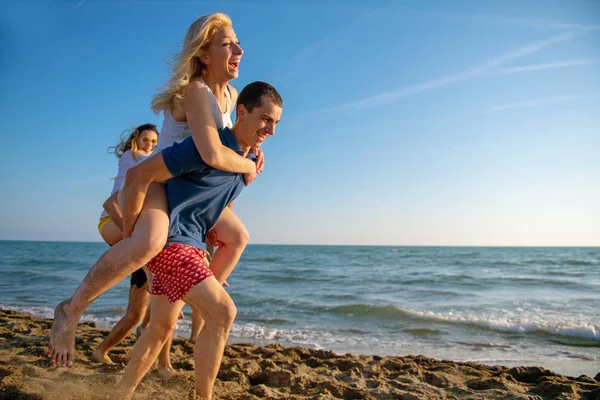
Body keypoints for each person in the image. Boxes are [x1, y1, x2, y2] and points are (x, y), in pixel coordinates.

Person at [48, 12, 263, 367]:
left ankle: (198, 291)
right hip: (160, 182)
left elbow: (231, 145)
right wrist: (248, 165)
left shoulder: (233, 95)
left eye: (238, 42)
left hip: (191, 192)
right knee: (148, 244)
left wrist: (254, 149)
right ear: (205, 55)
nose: (239, 49)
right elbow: (210, 152)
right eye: (227, 44)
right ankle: (69, 311)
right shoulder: (195, 91)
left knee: (237, 235)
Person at [114, 81, 283, 400]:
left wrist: (205, 257)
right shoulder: (205, 146)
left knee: (160, 328)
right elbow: (141, 176)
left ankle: (120, 394)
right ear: (242, 112)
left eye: (275, 122)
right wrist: (132, 242)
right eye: (265, 119)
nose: (271, 129)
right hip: (170, 242)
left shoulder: (246, 163)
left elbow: (215, 211)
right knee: (223, 312)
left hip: (190, 246)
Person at [91, 125, 178, 379]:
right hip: (119, 225)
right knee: (149, 310)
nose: (149, 145)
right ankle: (162, 363)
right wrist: (129, 233)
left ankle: (107, 351)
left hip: (141, 241)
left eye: (154, 141)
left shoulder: (146, 173)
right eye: (145, 140)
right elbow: (110, 203)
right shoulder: (133, 162)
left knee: (141, 314)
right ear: (135, 141)